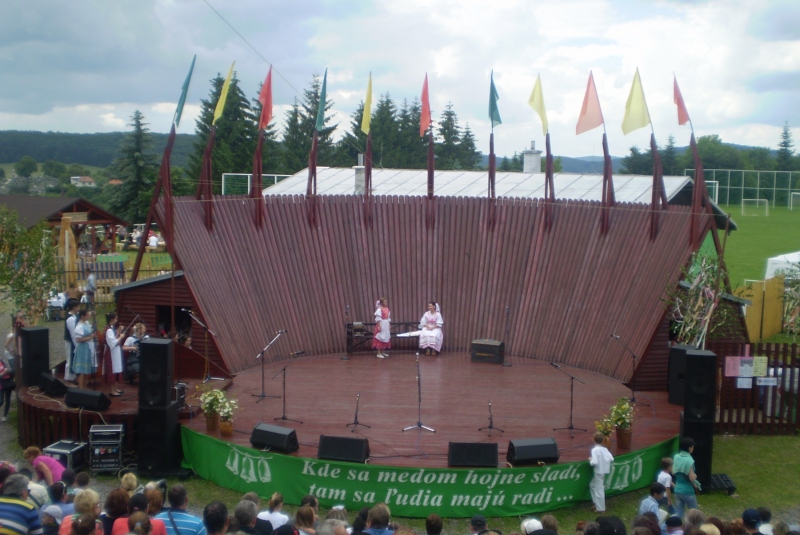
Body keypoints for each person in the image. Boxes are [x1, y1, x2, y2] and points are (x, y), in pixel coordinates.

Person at [672, 438, 700, 518]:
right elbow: (691, 478)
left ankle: (670, 527)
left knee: (679, 514)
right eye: (692, 447)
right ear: (689, 448)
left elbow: (673, 472)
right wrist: (695, 476)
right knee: (694, 514)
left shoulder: (676, 457)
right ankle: (692, 529)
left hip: (677, 489)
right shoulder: (690, 460)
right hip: (687, 490)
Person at [104, 313, 130, 396]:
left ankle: (115, 388)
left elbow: (114, 337)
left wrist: (118, 333)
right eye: (115, 319)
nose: (116, 320)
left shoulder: (111, 329)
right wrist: (121, 337)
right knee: (112, 370)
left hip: (115, 352)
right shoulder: (108, 330)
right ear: (111, 319)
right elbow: (113, 342)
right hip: (111, 353)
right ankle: (112, 390)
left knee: (115, 369)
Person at [589, 431, 614, 514]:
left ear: (593, 439)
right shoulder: (605, 449)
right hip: (604, 471)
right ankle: (597, 503)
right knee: (592, 485)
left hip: (599, 471)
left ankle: (601, 508)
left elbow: (594, 462)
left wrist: (591, 460)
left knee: (599, 489)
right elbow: (611, 459)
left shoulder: (595, 450)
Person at [72, 311, 96, 390]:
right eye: (87, 315)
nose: (88, 317)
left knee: (85, 370)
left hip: (88, 347)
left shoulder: (86, 323)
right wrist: (90, 337)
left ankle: (84, 386)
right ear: (82, 316)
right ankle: (81, 388)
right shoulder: (79, 326)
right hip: (83, 348)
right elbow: (78, 340)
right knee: (82, 370)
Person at [63, 299, 80, 383]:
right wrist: (76, 345)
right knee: (70, 359)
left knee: (73, 359)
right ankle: (68, 378)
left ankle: (73, 376)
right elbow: (73, 333)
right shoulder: (70, 319)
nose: (79, 308)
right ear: (74, 307)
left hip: (73, 340)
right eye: (78, 306)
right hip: (70, 341)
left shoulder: (75, 317)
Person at [0, 347, 15, 422]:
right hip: (1, 385)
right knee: (1, 401)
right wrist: (3, 373)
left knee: (8, 400)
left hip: (7, 382)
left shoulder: (2, 361)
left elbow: (8, 369)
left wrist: (4, 372)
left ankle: (4, 416)